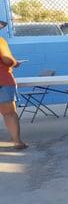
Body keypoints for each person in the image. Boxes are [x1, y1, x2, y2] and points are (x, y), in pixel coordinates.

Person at [0, 22, 26, 150]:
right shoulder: (0, 41)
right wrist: (15, 63)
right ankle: (17, 141)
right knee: (9, 113)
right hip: (2, 80)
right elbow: (6, 59)